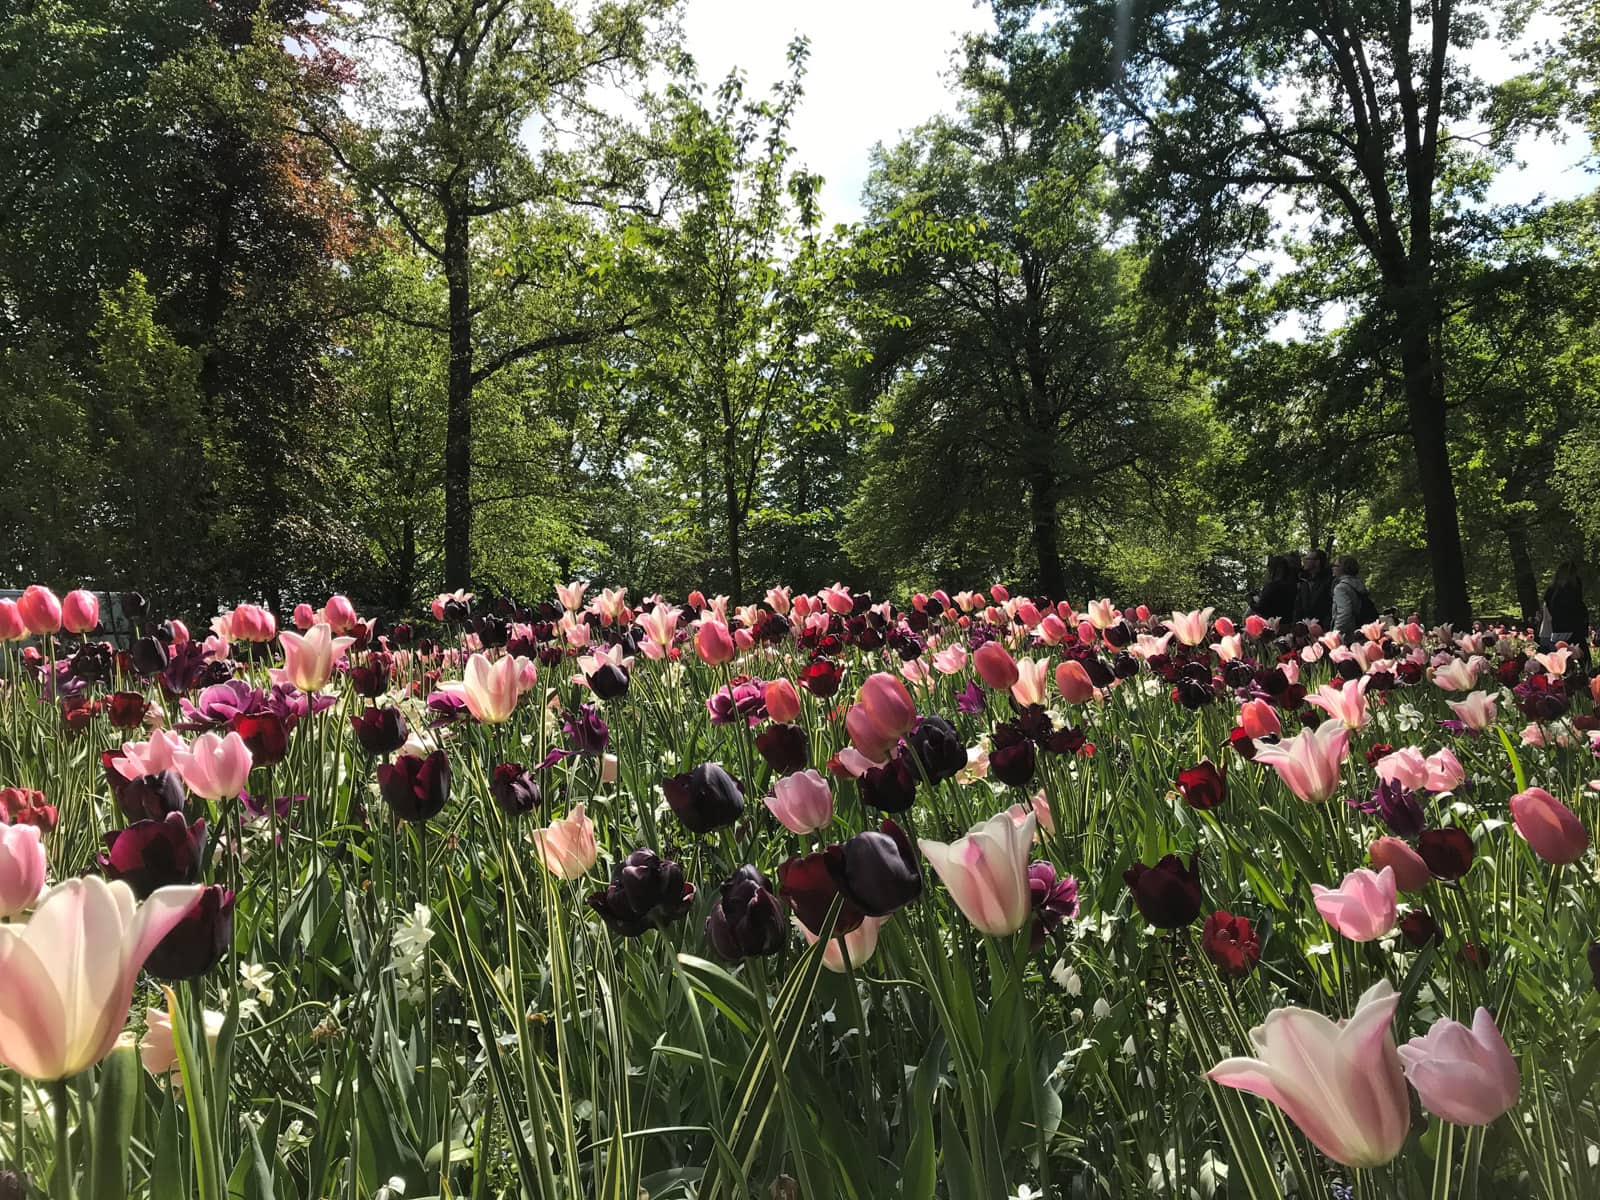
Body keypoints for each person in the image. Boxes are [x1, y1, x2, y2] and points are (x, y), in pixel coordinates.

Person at [1541, 562, 1589, 653]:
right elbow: (1578, 608)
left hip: (1557, 630)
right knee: (1583, 661)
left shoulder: (1552, 591)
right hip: (1574, 630)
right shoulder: (1573, 588)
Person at [1331, 555, 1375, 639]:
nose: (1332, 568)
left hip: (1348, 634)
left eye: (1335, 565)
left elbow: (1344, 612)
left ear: (1343, 568)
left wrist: (1335, 634)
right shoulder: (1358, 584)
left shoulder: (1341, 588)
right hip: (1360, 630)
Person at [1251, 554, 1299, 624]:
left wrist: (1251, 601)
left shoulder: (1272, 586)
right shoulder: (1293, 586)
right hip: (1288, 624)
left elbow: (1261, 608)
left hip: (1272, 625)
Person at [1295, 548, 1334, 629]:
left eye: (1307, 559)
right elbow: (1298, 609)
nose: (1304, 561)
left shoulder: (1329, 581)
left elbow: (1330, 608)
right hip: (1304, 630)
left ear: (1317, 562)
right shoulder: (1304, 582)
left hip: (1322, 629)